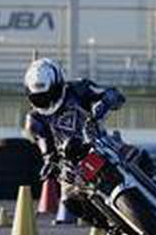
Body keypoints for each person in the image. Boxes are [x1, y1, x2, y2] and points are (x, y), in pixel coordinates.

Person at [23, 58, 126, 224]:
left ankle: (155, 184)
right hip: (73, 163)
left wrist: (108, 99)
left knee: (135, 154)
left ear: (58, 85)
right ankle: (108, 226)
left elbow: (110, 93)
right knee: (70, 201)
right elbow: (46, 148)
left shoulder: (79, 88)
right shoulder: (35, 119)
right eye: (39, 97)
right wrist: (50, 163)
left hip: (99, 143)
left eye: (48, 94)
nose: (46, 100)